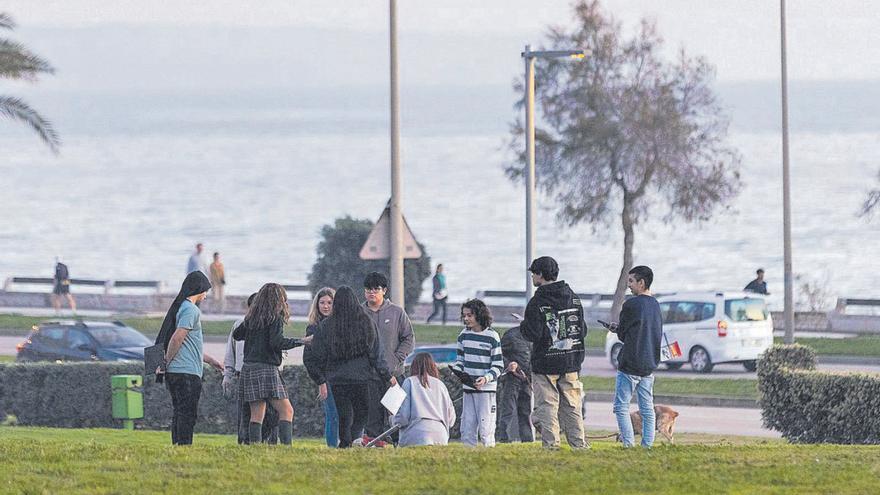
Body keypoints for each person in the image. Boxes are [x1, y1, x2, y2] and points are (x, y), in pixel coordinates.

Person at [303, 286, 396, 449]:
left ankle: (345, 441)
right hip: (361, 378)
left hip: (337, 379)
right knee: (361, 413)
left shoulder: (326, 325)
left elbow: (317, 354)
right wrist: (386, 375)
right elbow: (375, 353)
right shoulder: (366, 323)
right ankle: (354, 439)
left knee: (343, 413)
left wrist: (321, 377)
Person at [520, 256, 588, 450]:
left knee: (547, 406)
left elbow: (532, 333)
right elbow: (581, 329)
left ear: (540, 275)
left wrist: (523, 324)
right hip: (571, 360)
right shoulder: (573, 296)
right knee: (573, 404)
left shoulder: (537, 301)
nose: (532, 277)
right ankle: (578, 444)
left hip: (545, 363)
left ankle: (551, 445)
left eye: (534, 273)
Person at [155, 271, 224, 445]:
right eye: (206, 291)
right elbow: (177, 338)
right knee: (187, 415)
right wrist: (165, 362)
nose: (206, 295)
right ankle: (184, 448)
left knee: (180, 413)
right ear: (199, 289)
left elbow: (189, 346)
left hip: (178, 372)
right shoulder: (191, 310)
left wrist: (211, 361)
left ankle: (177, 446)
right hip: (186, 373)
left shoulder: (181, 308)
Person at [232, 283, 307, 446]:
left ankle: (254, 446)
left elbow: (237, 335)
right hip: (267, 368)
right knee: (286, 410)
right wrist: (301, 341)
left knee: (256, 413)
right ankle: (287, 447)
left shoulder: (252, 318)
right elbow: (276, 342)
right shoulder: (275, 317)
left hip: (249, 368)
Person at [612, 265, 663, 448]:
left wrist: (617, 329)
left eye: (631, 282)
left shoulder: (631, 305)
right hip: (648, 364)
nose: (629, 286)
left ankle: (628, 444)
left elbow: (623, 334)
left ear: (642, 283)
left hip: (630, 364)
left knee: (621, 407)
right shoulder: (656, 305)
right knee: (647, 409)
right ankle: (647, 445)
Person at [362, 272, 415, 443]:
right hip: (368, 376)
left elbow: (409, 338)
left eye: (376, 289)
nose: (372, 293)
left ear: (384, 290)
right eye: (368, 289)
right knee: (372, 417)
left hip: (394, 375)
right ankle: (373, 446)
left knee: (397, 415)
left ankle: (399, 445)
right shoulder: (359, 313)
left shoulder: (397, 312)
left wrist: (396, 359)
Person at [222, 293, 279, 444]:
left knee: (270, 415)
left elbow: (278, 349)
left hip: (267, 374)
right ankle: (246, 443)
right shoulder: (240, 325)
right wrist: (227, 375)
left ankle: (269, 443)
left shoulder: (271, 324)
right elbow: (231, 353)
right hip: (244, 374)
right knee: (246, 414)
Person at [450, 299, 503, 447]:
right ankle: (468, 456)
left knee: (486, 429)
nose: (466, 319)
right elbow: (460, 360)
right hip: (468, 389)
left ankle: (489, 455)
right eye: (464, 315)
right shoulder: (463, 335)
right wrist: (457, 371)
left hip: (486, 390)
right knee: (467, 427)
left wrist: (485, 379)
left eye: (470, 315)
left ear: (479, 315)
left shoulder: (492, 337)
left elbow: (498, 365)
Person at [393, 352, 456, 447]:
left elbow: (403, 418)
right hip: (440, 436)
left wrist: (392, 419)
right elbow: (451, 420)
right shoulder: (441, 385)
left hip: (416, 435)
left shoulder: (409, 382)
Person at [303, 287, 339, 448]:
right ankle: (332, 447)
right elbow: (309, 359)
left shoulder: (342, 326)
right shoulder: (313, 328)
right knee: (333, 415)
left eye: (329, 303)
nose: (325, 306)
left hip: (345, 377)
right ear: (317, 305)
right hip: (327, 379)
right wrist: (321, 382)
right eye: (322, 302)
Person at [497, 324, 534, 443]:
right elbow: (498, 354)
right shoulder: (511, 335)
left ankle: (527, 439)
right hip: (512, 378)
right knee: (508, 409)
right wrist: (508, 364)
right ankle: (504, 438)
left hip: (527, 379)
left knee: (525, 411)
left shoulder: (535, 335)